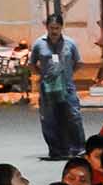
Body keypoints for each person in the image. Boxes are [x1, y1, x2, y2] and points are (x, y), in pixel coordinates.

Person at [31, 14, 86, 161]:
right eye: (51, 28)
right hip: (47, 88)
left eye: (57, 28)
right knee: (49, 119)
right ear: (46, 27)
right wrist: (44, 76)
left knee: (73, 116)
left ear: (62, 27)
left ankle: (78, 148)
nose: (54, 31)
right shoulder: (39, 44)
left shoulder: (70, 43)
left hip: (67, 87)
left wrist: (67, 74)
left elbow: (79, 63)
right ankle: (55, 149)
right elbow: (32, 64)